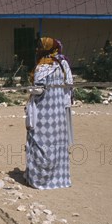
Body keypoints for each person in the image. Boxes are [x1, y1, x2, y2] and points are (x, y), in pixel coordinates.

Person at [25, 37, 74, 189]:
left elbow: (39, 90)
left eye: (39, 46)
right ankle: (60, 179)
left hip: (44, 113)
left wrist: (30, 91)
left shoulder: (43, 66)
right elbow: (70, 86)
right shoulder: (63, 63)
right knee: (57, 144)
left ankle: (40, 179)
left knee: (40, 143)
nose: (37, 49)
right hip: (59, 112)